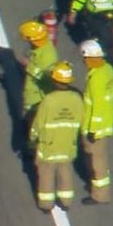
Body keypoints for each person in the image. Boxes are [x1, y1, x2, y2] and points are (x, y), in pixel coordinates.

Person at [29, 61, 84, 213]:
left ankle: (46, 205)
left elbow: (38, 123)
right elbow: (80, 121)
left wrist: (32, 137)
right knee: (65, 171)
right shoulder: (76, 98)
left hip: (49, 144)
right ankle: (65, 201)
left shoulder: (49, 100)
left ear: (54, 80)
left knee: (46, 174)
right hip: (68, 143)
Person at [79, 39, 113, 205]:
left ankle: (100, 195)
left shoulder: (96, 77)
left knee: (97, 161)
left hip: (95, 127)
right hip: (105, 123)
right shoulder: (107, 69)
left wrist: (93, 129)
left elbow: (98, 104)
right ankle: (98, 188)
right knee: (97, 159)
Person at [19, 20, 58, 135]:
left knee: (33, 122)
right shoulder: (41, 48)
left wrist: (28, 65)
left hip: (38, 95)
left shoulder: (48, 55)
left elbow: (43, 75)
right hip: (32, 92)